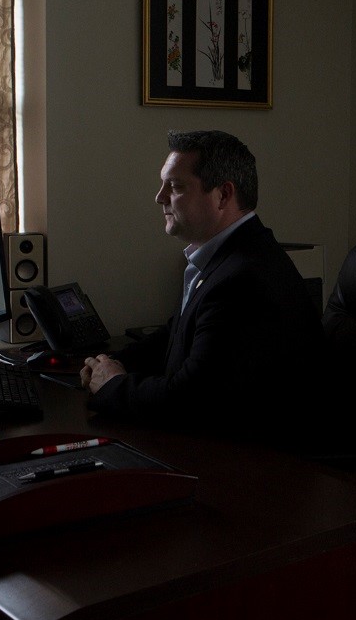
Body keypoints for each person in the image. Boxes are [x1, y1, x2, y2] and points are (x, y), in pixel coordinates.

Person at [80, 130, 324, 447]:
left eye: (176, 187)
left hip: (253, 468)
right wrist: (106, 362)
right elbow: (179, 332)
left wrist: (114, 384)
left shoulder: (243, 277)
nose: (160, 197)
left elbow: (190, 401)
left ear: (223, 195)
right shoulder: (232, 254)